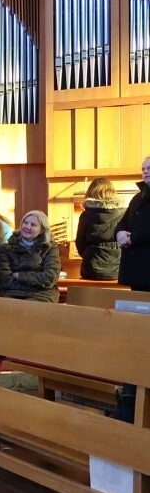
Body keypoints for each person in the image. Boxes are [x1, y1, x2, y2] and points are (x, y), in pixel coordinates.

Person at [112, 156, 150, 422]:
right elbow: (122, 222)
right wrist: (119, 234)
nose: (145, 172)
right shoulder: (138, 197)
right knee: (137, 333)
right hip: (137, 272)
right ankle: (129, 399)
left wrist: (132, 237)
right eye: (143, 168)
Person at [0, 210, 61, 303]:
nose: (27, 227)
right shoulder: (6, 248)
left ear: (42, 230)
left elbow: (50, 277)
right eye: (25, 223)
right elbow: (4, 280)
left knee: (31, 307)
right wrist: (34, 281)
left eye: (33, 225)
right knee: (2, 307)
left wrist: (19, 276)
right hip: (12, 293)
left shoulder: (50, 248)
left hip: (42, 294)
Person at [76, 177, 124, 281]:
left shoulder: (85, 216)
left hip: (92, 271)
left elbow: (80, 245)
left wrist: (92, 254)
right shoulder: (124, 213)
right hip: (120, 270)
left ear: (90, 193)